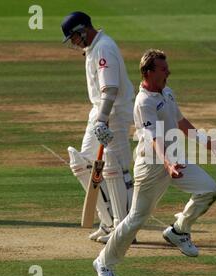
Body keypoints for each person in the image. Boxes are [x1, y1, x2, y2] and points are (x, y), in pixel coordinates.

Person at [93, 49, 216, 276]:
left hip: (173, 160)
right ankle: (104, 261)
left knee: (209, 189)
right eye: (163, 69)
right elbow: (155, 138)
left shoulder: (167, 92)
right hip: (152, 166)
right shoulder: (144, 102)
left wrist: (205, 140)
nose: (168, 71)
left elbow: (180, 121)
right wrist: (167, 162)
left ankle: (179, 231)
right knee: (136, 219)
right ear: (148, 72)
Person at [61, 12, 135, 243]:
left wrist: (103, 120)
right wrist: (99, 118)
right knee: (82, 163)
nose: (73, 43)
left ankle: (125, 229)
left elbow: (110, 89)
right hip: (100, 113)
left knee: (118, 172)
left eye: (74, 37)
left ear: (83, 30)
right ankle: (108, 221)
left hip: (113, 115)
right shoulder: (94, 48)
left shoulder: (104, 48)